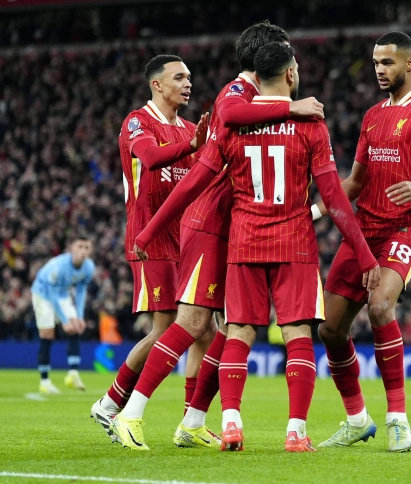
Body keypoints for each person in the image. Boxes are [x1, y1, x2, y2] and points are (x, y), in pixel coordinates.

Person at [110, 21, 324, 452]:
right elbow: (227, 116)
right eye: (286, 53)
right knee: (189, 322)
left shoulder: (259, 101)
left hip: (240, 230)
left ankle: (192, 421)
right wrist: (292, 107)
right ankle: (129, 412)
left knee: (229, 329)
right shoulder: (237, 92)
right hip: (210, 223)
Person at [202, 42, 378, 452]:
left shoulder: (234, 123)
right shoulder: (310, 123)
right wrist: (364, 251)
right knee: (298, 332)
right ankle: (296, 432)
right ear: (290, 75)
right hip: (294, 240)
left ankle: (230, 423)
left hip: (244, 239)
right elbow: (334, 197)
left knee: (239, 331)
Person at [312, 31, 411, 452]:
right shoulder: (373, 115)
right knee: (331, 329)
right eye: (376, 62)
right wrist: (314, 211)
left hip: (403, 230)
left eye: (388, 63)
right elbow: (356, 182)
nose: (380, 69)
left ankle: (398, 418)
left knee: (380, 306)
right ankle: (358, 418)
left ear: (409, 63)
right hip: (363, 232)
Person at [91, 54, 210, 440]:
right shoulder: (137, 122)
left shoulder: (193, 129)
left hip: (187, 240)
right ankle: (110, 404)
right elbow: (152, 158)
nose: (188, 83)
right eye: (179, 77)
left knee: (204, 330)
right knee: (166, 328)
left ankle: (192, 422)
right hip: (150, 239)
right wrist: (193, 144)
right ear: (157, 84)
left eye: (189, 77)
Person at [30, 236, 94, 394]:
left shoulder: (89, 267)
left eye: (87, 247)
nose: (83, 251)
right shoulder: (59, 266)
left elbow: (80, 291)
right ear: (71, 248)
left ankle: (73, 374)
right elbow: (51, 294)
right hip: (43, 295)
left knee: (75, 327)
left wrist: (79, 316)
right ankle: (44, 381)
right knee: (48, 334)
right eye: (80, 246)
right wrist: (64, 320)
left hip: (62, 294)